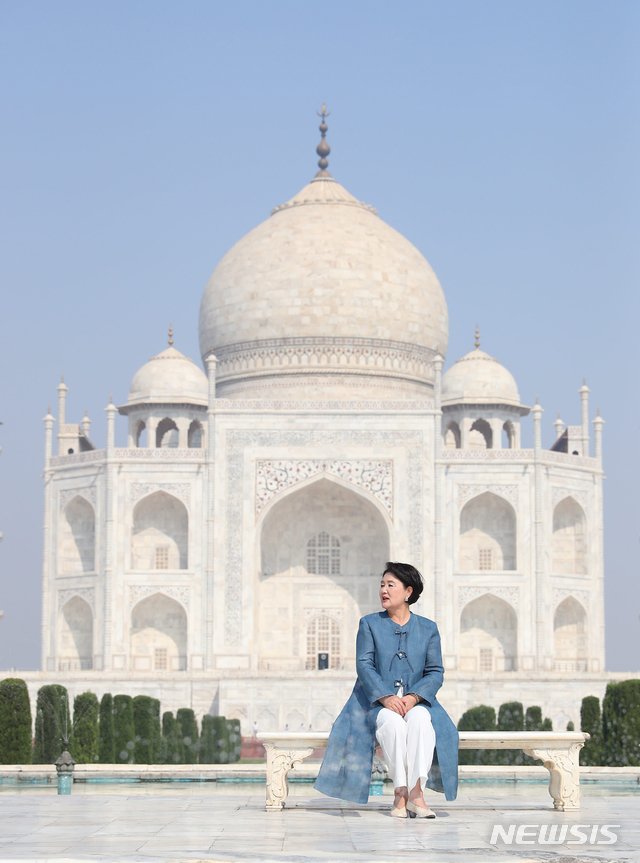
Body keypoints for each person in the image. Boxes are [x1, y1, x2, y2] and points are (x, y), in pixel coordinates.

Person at [315, 562, 458, 818]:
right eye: (382, 584)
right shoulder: (370, 624)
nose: (384, 590)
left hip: (417, 701)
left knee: (422, 723)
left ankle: (417, 793)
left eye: (390, 585)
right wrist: (385, 696)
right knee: (392, 725)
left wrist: (415, 697)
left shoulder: (428, 629)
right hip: (375, 703)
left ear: (408, 592)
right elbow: (364, 664)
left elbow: (435, 671)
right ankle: (400, 792)